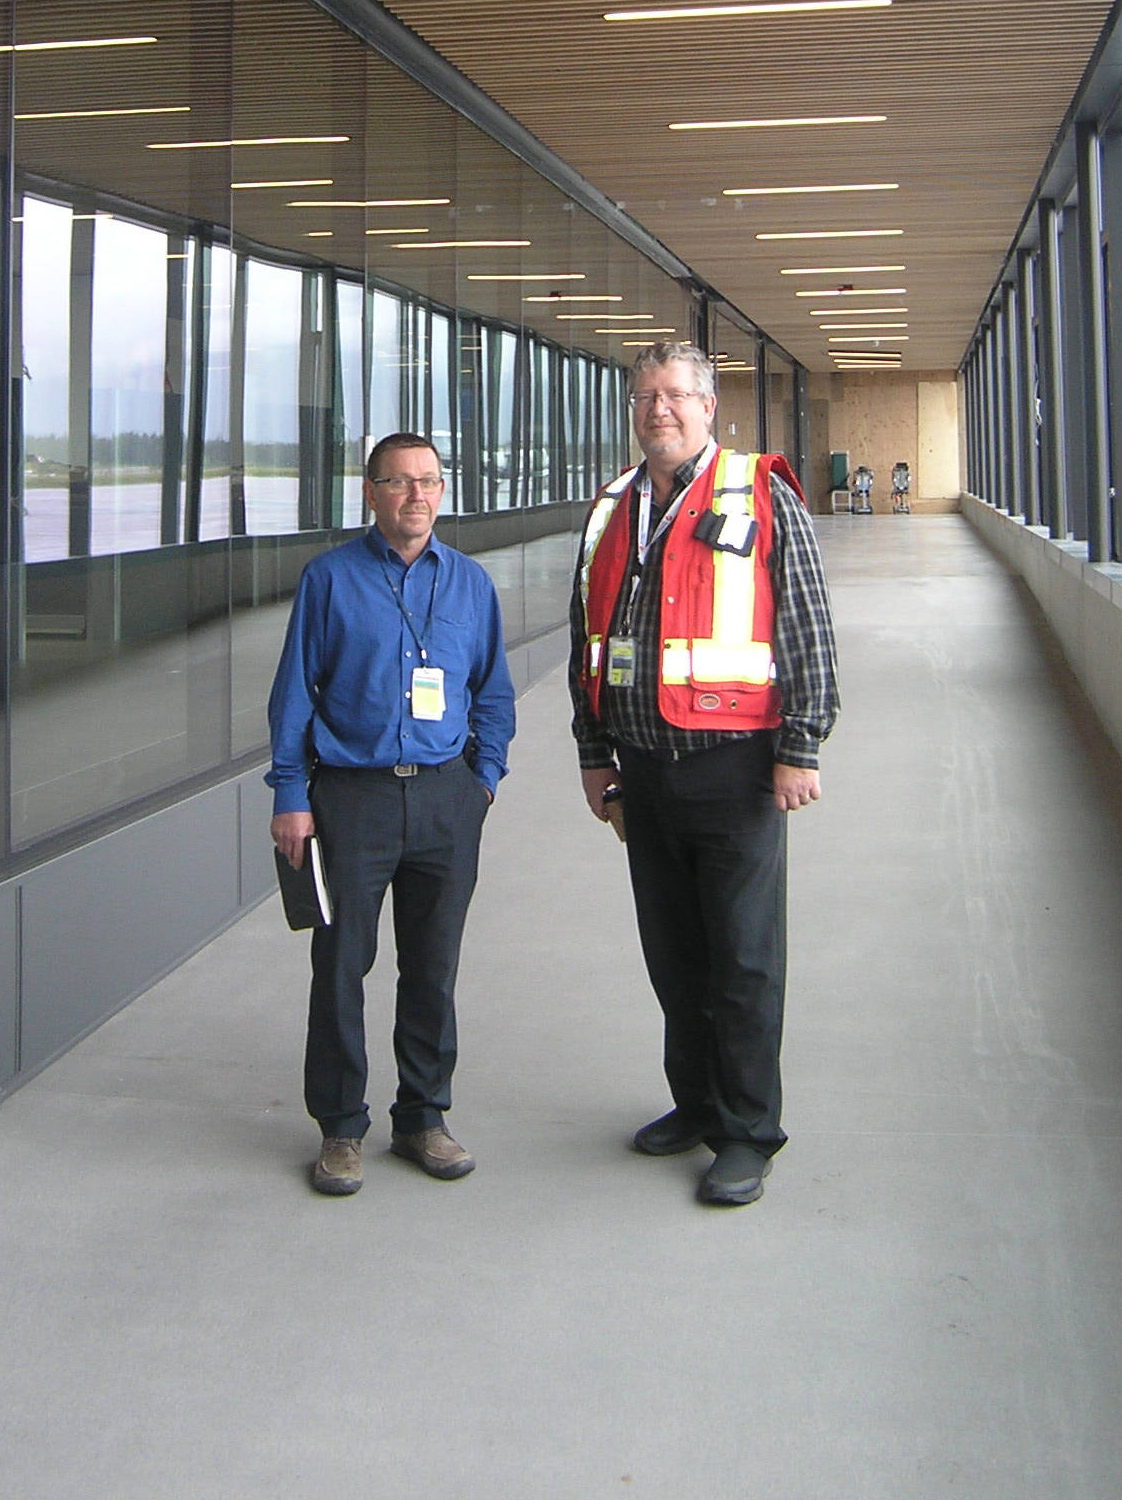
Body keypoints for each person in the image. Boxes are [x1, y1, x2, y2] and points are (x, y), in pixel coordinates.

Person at [571, 343, 838, 1207]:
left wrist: (801, 744)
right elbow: (592, 640)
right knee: (673, 956)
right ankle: (694, 1103)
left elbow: (806, 625)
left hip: (737, 771)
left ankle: (749, 1131)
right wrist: (593, 754)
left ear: (709, 405)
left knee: (744, 960)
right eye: (646, 396)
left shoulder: (759, 490)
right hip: (645, 773)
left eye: (676, 395)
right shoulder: (613, 506)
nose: (660, 410)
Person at [268, 432, 515, 1197]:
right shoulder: (329, 580)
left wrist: (482, 783)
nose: (417, 496)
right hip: (352, 801)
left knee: (432, 967)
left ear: (443, 491)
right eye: (400, 482)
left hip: (446, 799)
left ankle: (423, 1117)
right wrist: (290, 793)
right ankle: (341, 1127)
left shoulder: (471, 585)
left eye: (430, 481)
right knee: (341, 967)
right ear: (370, 493)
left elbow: (493, 694)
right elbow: (294, 695)